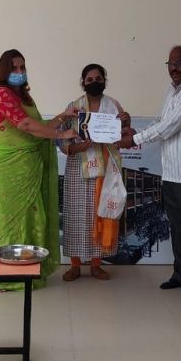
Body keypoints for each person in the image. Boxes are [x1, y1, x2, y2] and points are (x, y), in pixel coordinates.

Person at [116, 45, 181, 300]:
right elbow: (161, 120)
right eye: (170, 64)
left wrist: (135, 139)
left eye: (179, 63)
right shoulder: (173, 90)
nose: (174, 68)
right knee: (178, 226)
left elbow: (170, 126)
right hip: (172, 170)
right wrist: (135, 132)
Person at [0, 49, 78, 292]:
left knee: (33, 218)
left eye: (22, 67)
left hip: (29, 169)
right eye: (14, 68)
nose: (20, 72)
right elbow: (24, 124)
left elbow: (40, 126)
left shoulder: (24, 97)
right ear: (4, 71)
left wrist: (62, 117)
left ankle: (26, 273)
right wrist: (60, 135)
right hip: (7, 169)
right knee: (7, 222)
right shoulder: (1, 94)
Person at [57, 64, 131, 281]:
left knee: (99, 214)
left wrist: (126, 122)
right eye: (89, 80)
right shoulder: (74, 107)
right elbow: (60, 137)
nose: (94, 82)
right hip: (78, 168)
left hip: (105, 169)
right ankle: (75, 265)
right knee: (76, 216)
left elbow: (123, 136)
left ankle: (97, 264)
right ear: (83, 83)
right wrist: (74, 148)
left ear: (104, 81)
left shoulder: (113, 106)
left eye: (98, 78)